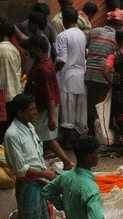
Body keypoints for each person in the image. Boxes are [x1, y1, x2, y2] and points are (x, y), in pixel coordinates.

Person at [3, 94, 57, 219]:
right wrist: (46, 174)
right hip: (28, 185)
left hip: (39, 181)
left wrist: (45, 170)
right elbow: (21, 169)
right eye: (32, 109)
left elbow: (36, 154)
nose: (36, 112)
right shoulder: (12, 135)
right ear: (20, 113)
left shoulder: (30, 127)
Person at [25, 35, 75, 171]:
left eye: (31, 48)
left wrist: (52, 117)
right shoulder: (45, 63)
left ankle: (65, 162)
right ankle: (65, 162)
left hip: (45, 108)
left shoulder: (44, 69)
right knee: (45, 137)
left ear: (39, 50)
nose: (29, 51)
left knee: (43, 137)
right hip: (44, 107)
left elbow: (49, 95)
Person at [84, 10, 123, 134]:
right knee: (108, 107)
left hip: (90, 74)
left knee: (91, 105)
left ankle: (91, 132)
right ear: (118, 25)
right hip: (105, 76)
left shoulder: (93, 31)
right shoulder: (117, 38)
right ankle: (106, 132)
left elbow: (88, 47)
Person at [56, 7, 88, 142]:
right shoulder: (82, 34)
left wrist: (53, 71)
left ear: (64, 20)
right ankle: (78, 139)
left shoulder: (62, 36)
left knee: (67, 111)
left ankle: (67, 141)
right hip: (80, 75)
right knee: (79, 109)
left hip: (67, 76)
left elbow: (61, 59)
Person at [0, 22, 22, 106]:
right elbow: (19, 71)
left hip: (1, 94)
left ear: (0, 33)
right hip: (15, 93)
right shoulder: (15, 50)